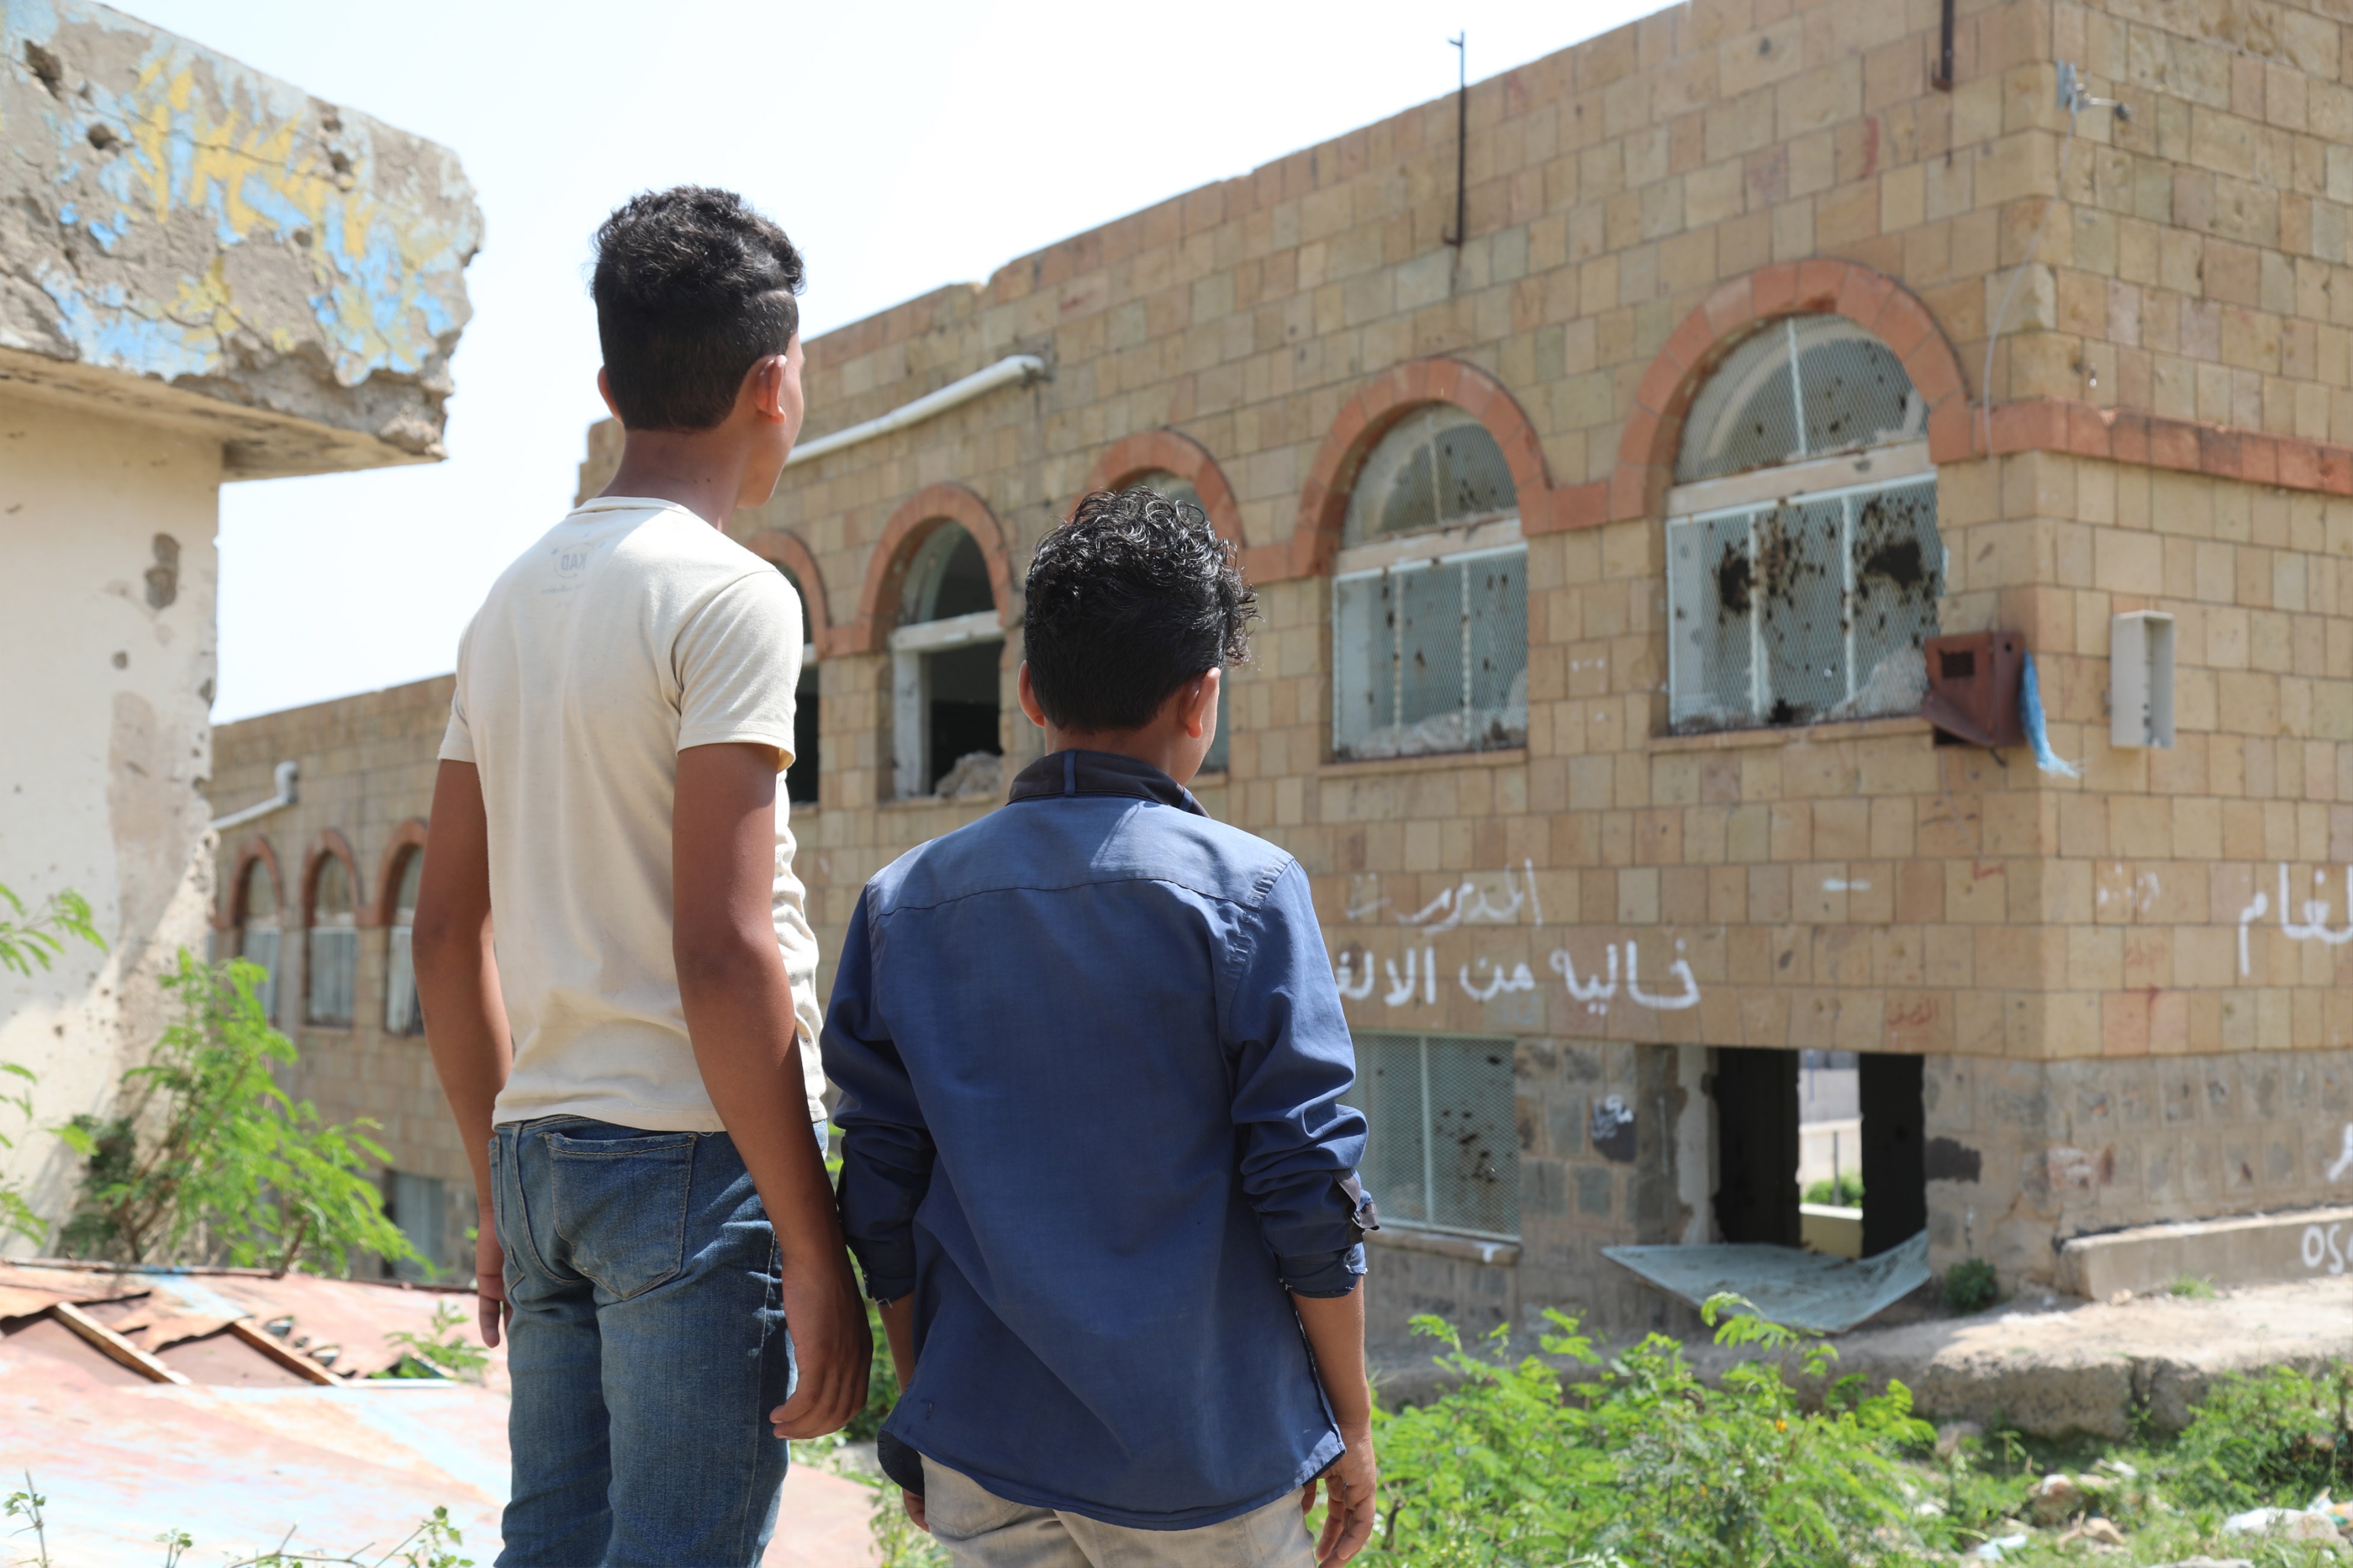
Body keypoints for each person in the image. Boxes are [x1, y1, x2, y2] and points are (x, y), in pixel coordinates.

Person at [412, 185, 869, 1568]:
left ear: (611, 390)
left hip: (538, 1155)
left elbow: (443, 932)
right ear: (774, 384)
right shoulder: (733, 595)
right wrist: (812, 1243)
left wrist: (500, 1184)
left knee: (550, 1546)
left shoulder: (504, 604)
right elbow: (722, 950)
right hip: (688, 1159)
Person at [825, 488, 1383, 1567]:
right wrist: (1350, 1421)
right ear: (1202, 699)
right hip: (1207, 1465)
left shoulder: (904, 904)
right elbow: (1307, 1180)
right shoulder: (1251, 893)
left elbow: (880, 1192)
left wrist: (928, 1407)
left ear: (1030, 690)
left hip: (986, 1448)